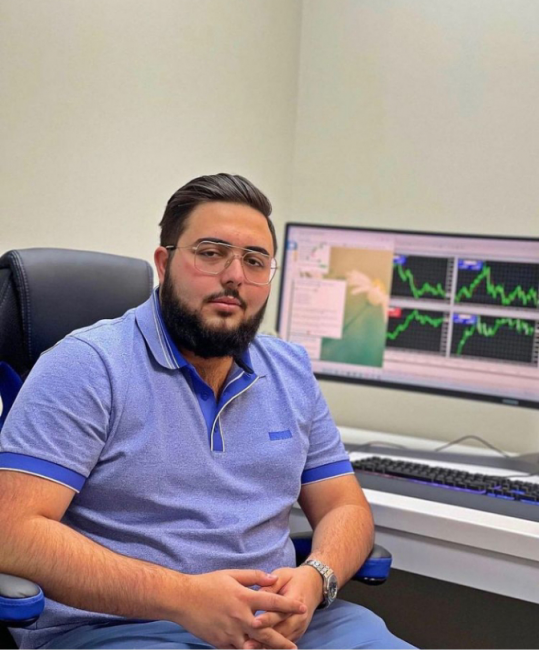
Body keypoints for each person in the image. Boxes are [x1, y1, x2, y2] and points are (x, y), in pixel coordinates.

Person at [0, 174, 414, 650]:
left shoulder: (290, 371)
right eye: (211, 253)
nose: (235, 275)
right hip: (123, 629)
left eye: (254, 261)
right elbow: (12, 530)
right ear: (164, 264)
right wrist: (185, 598)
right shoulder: (89, 365)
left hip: (284, 622)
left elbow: (345, 506)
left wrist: (316, 578)